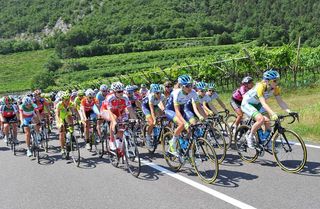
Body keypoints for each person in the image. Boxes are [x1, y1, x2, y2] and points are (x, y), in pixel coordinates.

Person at [241, 69, 294, 150]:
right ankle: (250, 136)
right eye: (275, 80)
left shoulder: (276, 88)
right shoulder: (260, 86)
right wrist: (273, 113)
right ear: (268, 81)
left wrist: (289, 111)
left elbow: (280, 101)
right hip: (247, 104)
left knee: (268, 122)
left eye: (277, 80)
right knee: (261, 119)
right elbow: (264, 103)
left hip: (258, 104)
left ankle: (266, 142)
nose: (277, 82)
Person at [165, 75, 206, 156]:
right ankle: (172, 144)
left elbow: (199, 107)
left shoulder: (193, 92)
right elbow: (177, 111)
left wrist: (205, 118)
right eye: (187, 86)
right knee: (182, 124)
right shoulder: (177, 93)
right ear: (182, 86)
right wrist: (185, 122)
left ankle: (184, 144)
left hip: (182, 109)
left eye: (191, 85)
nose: (190, 87)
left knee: (192, 127)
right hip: (171, 110)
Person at [100, 82, 136, 151]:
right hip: (105, 110)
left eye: (122, 91)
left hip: (117, 111)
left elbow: (130, 109)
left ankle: (119, 145)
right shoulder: (110, 97)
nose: (121, 93)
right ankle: (111, 140)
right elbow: (110, 111)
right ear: (114, 92)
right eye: (119, 92)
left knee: (122, 126)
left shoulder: (125, 97)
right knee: (114, 120)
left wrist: (135, 119)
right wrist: (114, 121)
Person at [141, 84, 165, 148]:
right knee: (152, 122)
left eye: (160, 93)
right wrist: (154, 119)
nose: (159, 94)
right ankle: (148, 138)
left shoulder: (162, 96)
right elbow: (152, 110)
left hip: (155, 106)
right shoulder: (151, 97)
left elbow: (163, 106)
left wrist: (164, 114)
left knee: (163, 115)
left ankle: (157, 133)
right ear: (153, 93)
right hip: (146, 107)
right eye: (157, 93)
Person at [55, 92, 74, 158]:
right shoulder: (59, 105)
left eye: (68, 99)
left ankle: (71, 135)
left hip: (67, 116)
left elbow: (76, 111)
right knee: (61, 132)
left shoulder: (71, 103)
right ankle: (62, 149)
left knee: (71, 119)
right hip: (60, 117)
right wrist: (59, 123)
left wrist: (80, 118)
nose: (67, 101)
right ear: (62, 100)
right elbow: (57, 115)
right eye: (66, 100)